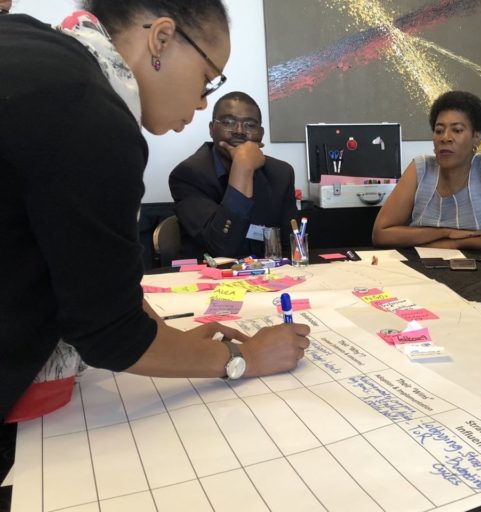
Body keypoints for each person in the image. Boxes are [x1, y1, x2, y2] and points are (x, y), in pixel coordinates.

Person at [0, 1, 309, 422]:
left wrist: (169, 340)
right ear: (161, 38)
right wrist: (244, 356)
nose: (202, 103)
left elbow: (96, 282)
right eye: (207, 80)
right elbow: (111, 334)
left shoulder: (39, 51)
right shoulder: (91, 111)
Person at [372, 90, 481, 251]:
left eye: (457, 130)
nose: (445, 138)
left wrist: (456, 244)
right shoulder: (421, 168)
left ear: (476, 138)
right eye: (439, 130)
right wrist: (446, 233)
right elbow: (381, 234)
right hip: (422, 270)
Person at [170, 91, 298, 259]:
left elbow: (290, 245)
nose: (239, 131)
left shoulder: (281, 173)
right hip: (207, 278)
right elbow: (221, 248)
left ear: (261, 133)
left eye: (250, 125)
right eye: (228, 122)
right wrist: (242, 168)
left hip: (267, 276)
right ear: (211, 129)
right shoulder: (189, 175)